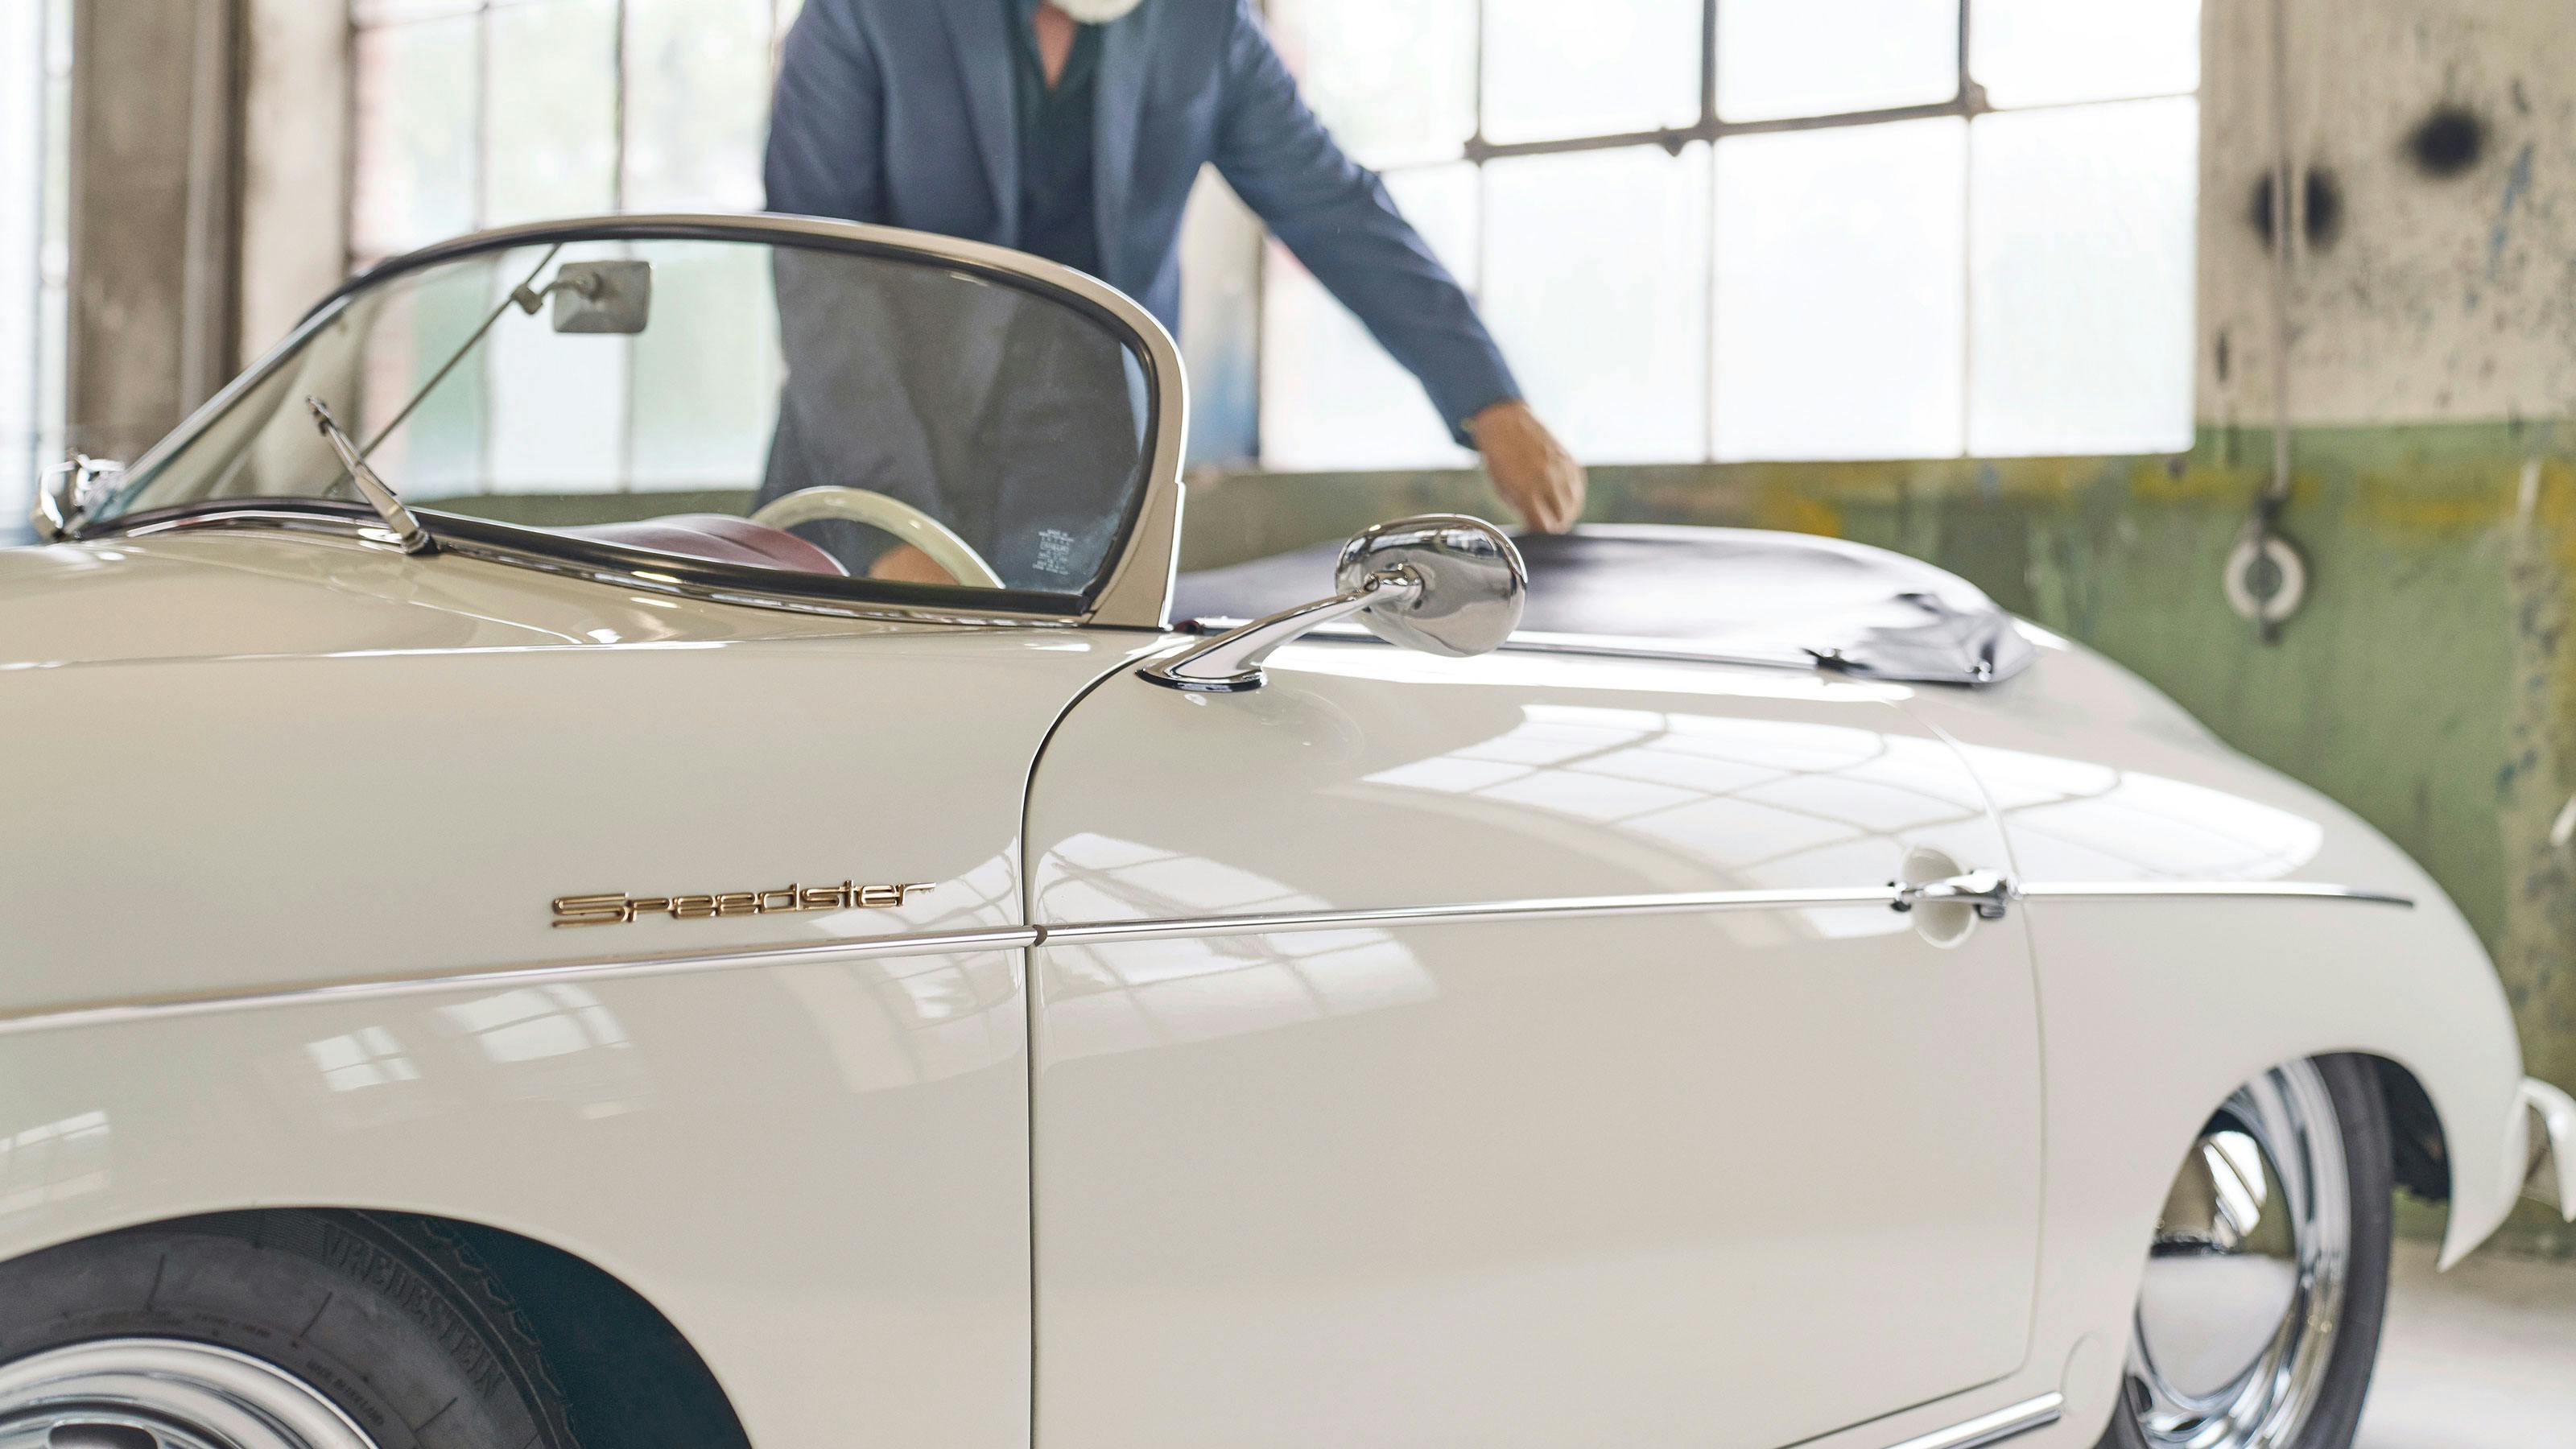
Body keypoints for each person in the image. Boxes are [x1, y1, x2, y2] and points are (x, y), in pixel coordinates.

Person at [764, 0, 1587, 584]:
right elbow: (821, 276)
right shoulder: (860, 13)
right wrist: (891, 525)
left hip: (1084, 479)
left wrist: (1489, 400)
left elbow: (1331, 206)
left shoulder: (1206, 26)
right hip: (869, 456)